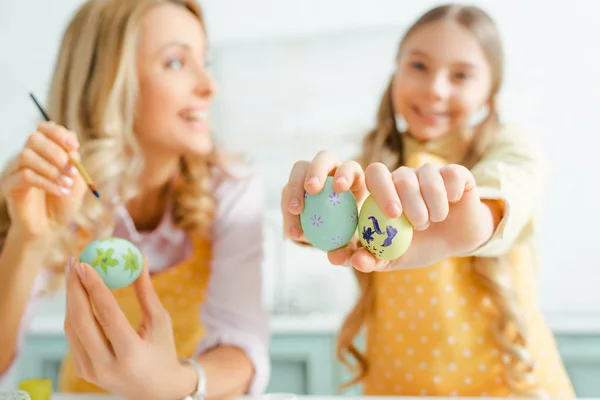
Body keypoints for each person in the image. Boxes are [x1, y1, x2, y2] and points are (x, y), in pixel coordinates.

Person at [281, 4, 574, 398]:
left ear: (490, 93)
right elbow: (343, 235)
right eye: (419, 66)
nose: (435, 88)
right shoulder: (369, 170)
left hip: (510, 385)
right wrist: (311, 213)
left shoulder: (509, 148)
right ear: (396, 71)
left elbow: (517, 186)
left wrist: (474, 221)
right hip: (398, 385)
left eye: (461, 75)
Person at [0, 0, 270, 398]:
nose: (210, 86)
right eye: (177, 63)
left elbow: (244, 349)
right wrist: (30, 239)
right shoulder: (48, 191)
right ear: (108, 83)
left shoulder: (230, 189)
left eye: (205, 61)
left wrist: (176, 384)